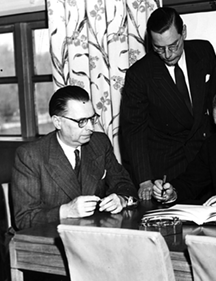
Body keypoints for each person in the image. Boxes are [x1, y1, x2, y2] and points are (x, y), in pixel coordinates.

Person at [120, 6, 216, 200]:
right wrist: (144, 180)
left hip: (205, 163)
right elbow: (134, 130)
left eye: (173, 45)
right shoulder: (140, 74)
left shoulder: (204, 51)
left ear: (183, 32)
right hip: (167, 168)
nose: (168, 54)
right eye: (159, 48)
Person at [12, 85, 138, 230]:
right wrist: (66, 211)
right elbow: (24, 219)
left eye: (92, 119)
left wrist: (121, 199)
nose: (90, 128)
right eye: (81, 121)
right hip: (48, 239)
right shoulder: (30, 155)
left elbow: (124, 183)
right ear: (58, 122)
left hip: (91, 234)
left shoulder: (100, 143)